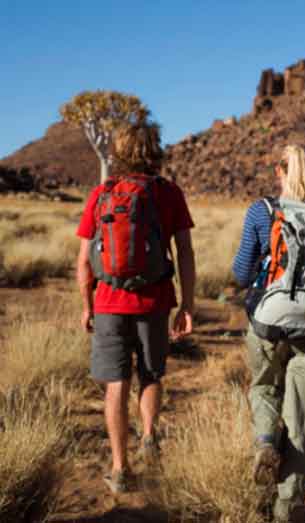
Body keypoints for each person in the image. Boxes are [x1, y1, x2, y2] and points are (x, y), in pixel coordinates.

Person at [76, 122, 195, 494]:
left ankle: (119, 467)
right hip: (155, 299)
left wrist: (87, 305)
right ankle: (147, 436)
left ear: (118, 152)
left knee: (116, 383)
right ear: (154, 149)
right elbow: (185, 252)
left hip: (109, 300)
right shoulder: (168, 192)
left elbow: (83, 261)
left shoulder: (102, 193)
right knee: (151, 374)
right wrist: (187, 302)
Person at [232, 144, 305, 522]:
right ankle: (286, 507)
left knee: (264, 387)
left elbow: (241, 273)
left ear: (279, 171)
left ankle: (265, 442)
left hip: (266, 322)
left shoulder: (261, 211)